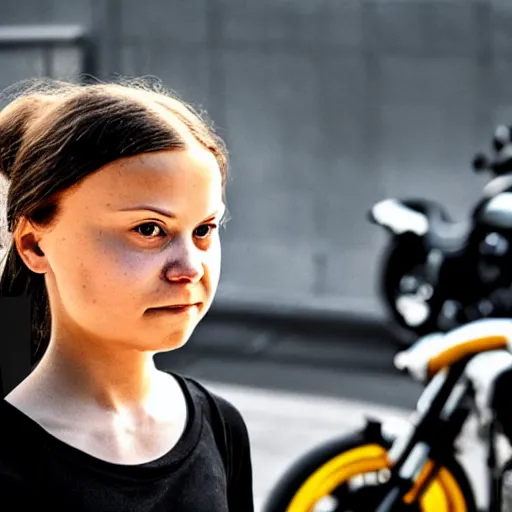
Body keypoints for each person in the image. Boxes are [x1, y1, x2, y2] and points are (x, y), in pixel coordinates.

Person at [0, 77, 254, 511]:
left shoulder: (221, 426)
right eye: (149, 230)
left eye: (204, 230)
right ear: (34, 244)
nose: (190, 267)